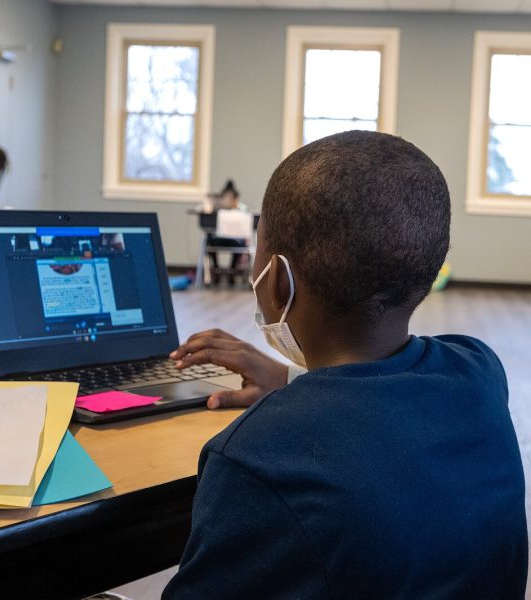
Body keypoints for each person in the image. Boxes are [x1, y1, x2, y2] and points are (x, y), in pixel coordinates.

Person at [164, 131, 527, 598]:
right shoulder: (479, 371)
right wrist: (291, 381)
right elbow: (376, 423)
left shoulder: (256, 456)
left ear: (276, 280)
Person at [206, 179, 250, 286]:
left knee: (241, 244)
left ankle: (232, 270)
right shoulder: (218, 210)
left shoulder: (243, 209)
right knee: (208, 240)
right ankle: (215, 268)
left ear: (236, 198)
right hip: (219, 239)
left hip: (236, 241)